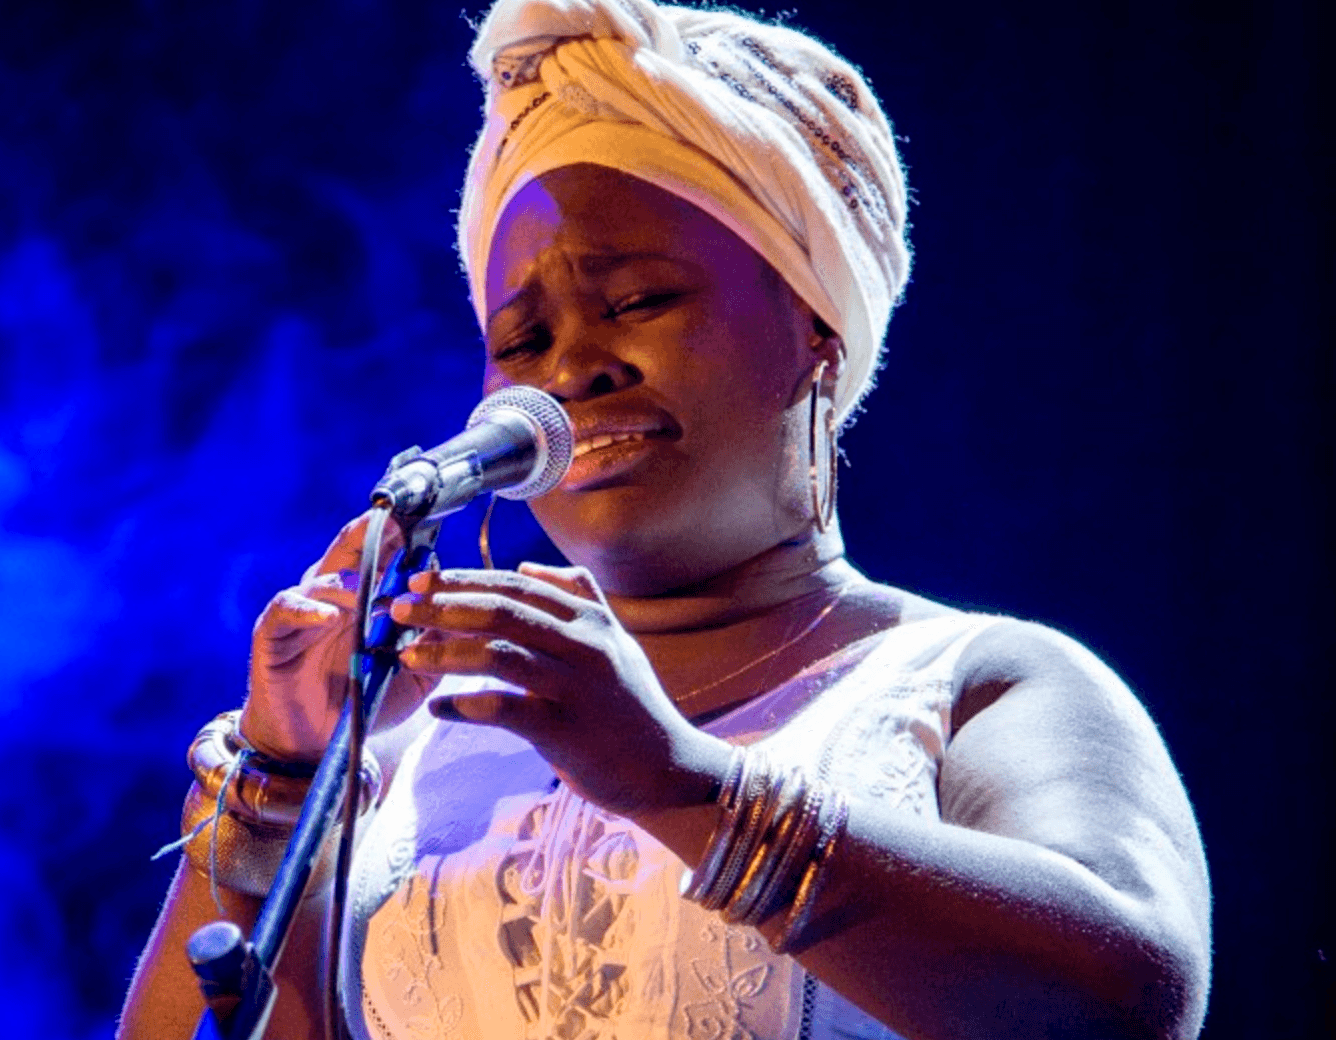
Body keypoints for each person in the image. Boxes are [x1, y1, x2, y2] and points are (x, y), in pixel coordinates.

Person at [119, 1, 1212, 1037]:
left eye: (637, 301)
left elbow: (1128, 998)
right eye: (522, 343)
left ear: (813, 332)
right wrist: (279, 777)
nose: (571, 372)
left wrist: (675, 779)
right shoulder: (408, 747)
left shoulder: (977, 685)